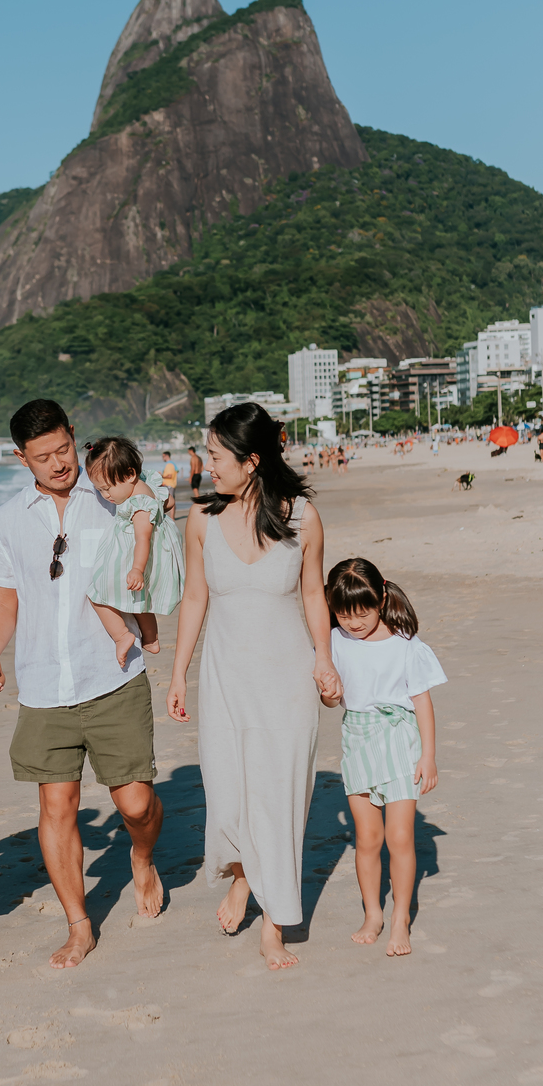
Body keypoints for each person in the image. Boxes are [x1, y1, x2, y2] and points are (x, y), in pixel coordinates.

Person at [0, 399, 164, 969]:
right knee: (57, 806)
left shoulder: (114, 497)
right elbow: (2, 598)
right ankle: (79, 924)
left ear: (74, 438)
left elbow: (160, 539)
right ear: (20, 458)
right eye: (42, 457)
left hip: (112, 673)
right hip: (41, 685)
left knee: (134, 804)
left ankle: (143, 856)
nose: (57, 464)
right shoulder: (8, 520)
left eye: (62, 450)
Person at [166, 402, 341, 971]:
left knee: (279, 795)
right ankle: (242, 875)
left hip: (286, 676)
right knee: (229, 790)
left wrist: (324, 660)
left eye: (217, 456)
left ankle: (274, 923)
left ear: (252, 460)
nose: (207, 465)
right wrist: (178, 673)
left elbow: (314, 595)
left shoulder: (301, 517)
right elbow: (195, 599)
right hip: (224, 676)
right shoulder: (201, 519)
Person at [321, 558, 444, 958]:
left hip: (398, 740)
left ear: (382, 598)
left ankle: (400, 919)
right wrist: (329, 693)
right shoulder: (335, 641)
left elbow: (422, 702)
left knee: (400, 837)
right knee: (368, 839)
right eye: (343, 614)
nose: (353, 622)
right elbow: (332, 698)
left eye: (362, 612)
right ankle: (373, 913)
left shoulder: (406, 645)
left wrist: (428, 755)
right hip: (357, 738)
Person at [84, 435, 184, 668]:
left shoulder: (139, 503)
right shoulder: (147, 483)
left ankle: (122, 635)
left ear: (129, 475)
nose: (105, 496)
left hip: (134, 556)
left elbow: (143, 537)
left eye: (107, 489)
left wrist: (137, 569)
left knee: (97, 594)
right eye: (99, 490)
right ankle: (151, 638)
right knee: (138, 600)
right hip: (142, 552)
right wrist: (165, 513)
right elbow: (167, 500)